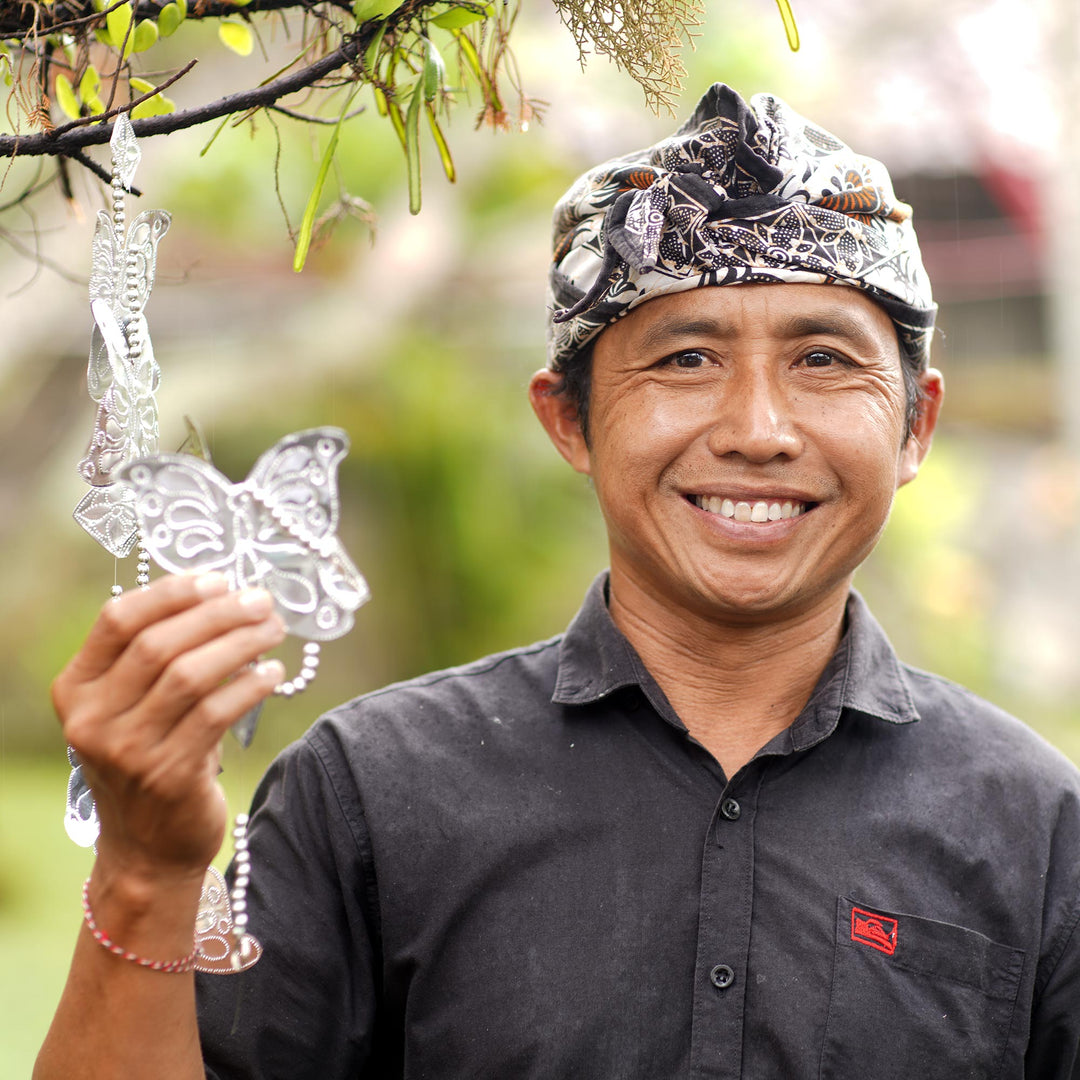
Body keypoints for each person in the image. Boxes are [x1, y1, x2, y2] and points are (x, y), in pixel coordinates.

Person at [36, 85, 1080, 1079]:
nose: (758, 431)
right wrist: (145, 871)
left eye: (822, 360)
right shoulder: (371, 795)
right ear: (569, 419)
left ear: (917, 425)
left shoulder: (1037, 831)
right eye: (683, 360)